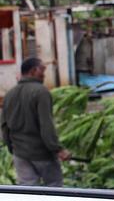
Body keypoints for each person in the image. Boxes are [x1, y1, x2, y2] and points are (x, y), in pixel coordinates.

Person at [1, 57, 71, 187]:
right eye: (42, 70)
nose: (44, 75)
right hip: (41, 153)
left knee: (28, 189)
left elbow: (4, 127)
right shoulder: (41, 92)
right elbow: (46, 125)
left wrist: (12, 148)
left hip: (20, 154)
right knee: (54, 187)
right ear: (33, 71)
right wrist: (58, 149)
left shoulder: (9, 94)